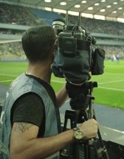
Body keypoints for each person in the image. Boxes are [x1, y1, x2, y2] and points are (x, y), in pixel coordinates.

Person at [0, 26, 99, 158]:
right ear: (55, 49)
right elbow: (19, 153)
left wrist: (71, 80)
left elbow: (45, 109)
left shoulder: (25, 82)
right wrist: (78, 132)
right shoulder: (31, 97)